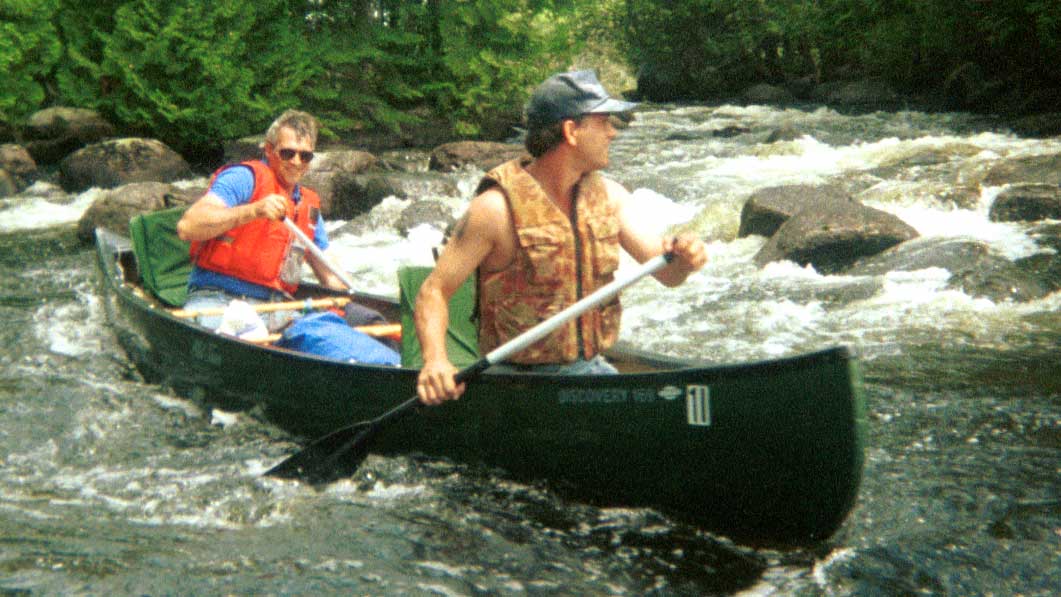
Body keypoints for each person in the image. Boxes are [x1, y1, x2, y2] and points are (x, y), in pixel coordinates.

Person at [414, 70, 707, 405]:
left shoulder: (609, 197)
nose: (612, 132)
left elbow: (667, 272)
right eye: (603, 122)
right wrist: (435, 360)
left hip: (589, 372)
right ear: (571, 131)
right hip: (516, 386)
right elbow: (433, 291)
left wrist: (686, 257)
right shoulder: (495, 210)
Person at [176, 109, 347, 331]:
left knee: (346, 328)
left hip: (277, 309)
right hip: (219, 301)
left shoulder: (308, 205)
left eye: (305, 156)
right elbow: (187, 227)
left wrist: (347, 299)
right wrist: (254, 210)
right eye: (288, 153)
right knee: (244, 334)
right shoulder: (244, 178)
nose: (296, 162)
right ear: (269, 149)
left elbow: (331, 276)